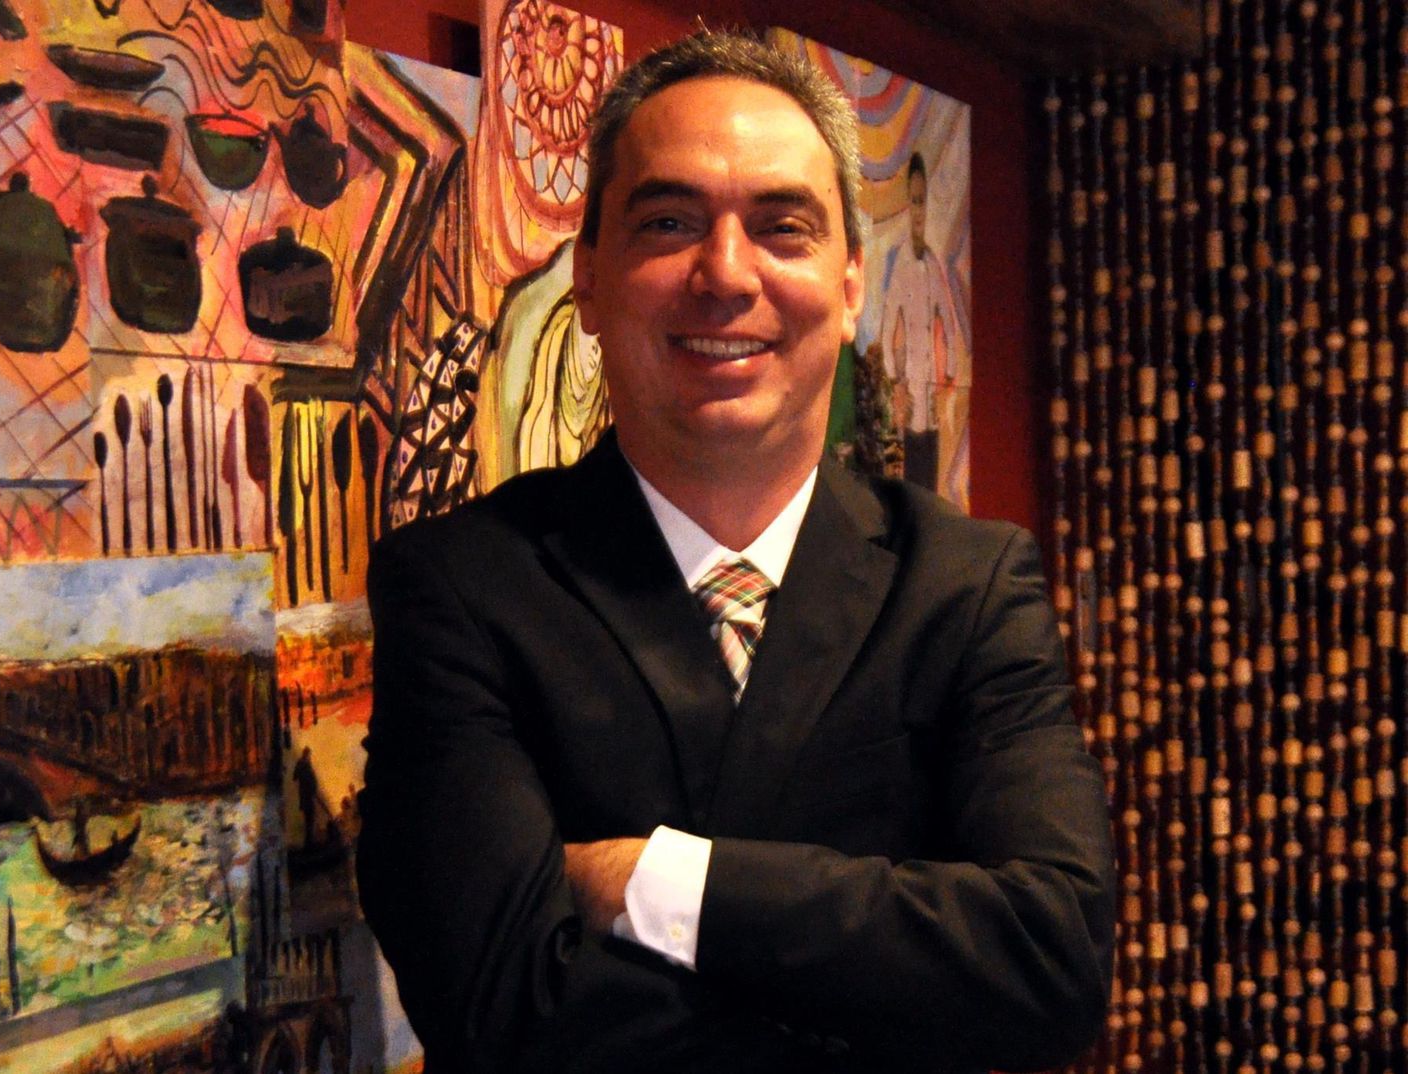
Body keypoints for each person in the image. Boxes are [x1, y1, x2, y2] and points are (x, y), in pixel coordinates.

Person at [358, 31, 1114, 1074]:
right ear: (588, 279)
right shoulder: (461, 586)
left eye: (781, 227)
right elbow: (502, 1006)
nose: (723, 273)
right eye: (668, 223)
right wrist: (897, 983)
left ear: (850, 287)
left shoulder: (968, 585)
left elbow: (1051, 961)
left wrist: (655, 883)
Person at [878, 152, 965, 492]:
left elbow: (950, 324)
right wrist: (895, 381)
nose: (919, 211)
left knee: (932, 480)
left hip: (931, 395)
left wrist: (950, 376)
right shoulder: (900, 266)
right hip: (910, 393)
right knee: (912, 478)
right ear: (908, 204)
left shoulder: (932, 263)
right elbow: (887, 330)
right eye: (914, 201)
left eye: (923, 201)